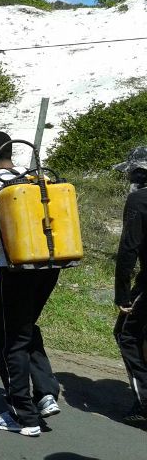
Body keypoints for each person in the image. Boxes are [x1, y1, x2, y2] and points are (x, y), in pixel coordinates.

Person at [0, 131, 61, 437]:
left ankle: (23, 416)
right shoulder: (29, 177)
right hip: (49, 267)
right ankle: (46, 393)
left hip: (14, 271)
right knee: (26, 327)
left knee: (8, 338)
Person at [112, 146, 147, 424]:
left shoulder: (139, 200)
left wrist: (122, 294)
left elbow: (128, 251)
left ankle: (144, 403)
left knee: (126, 334)